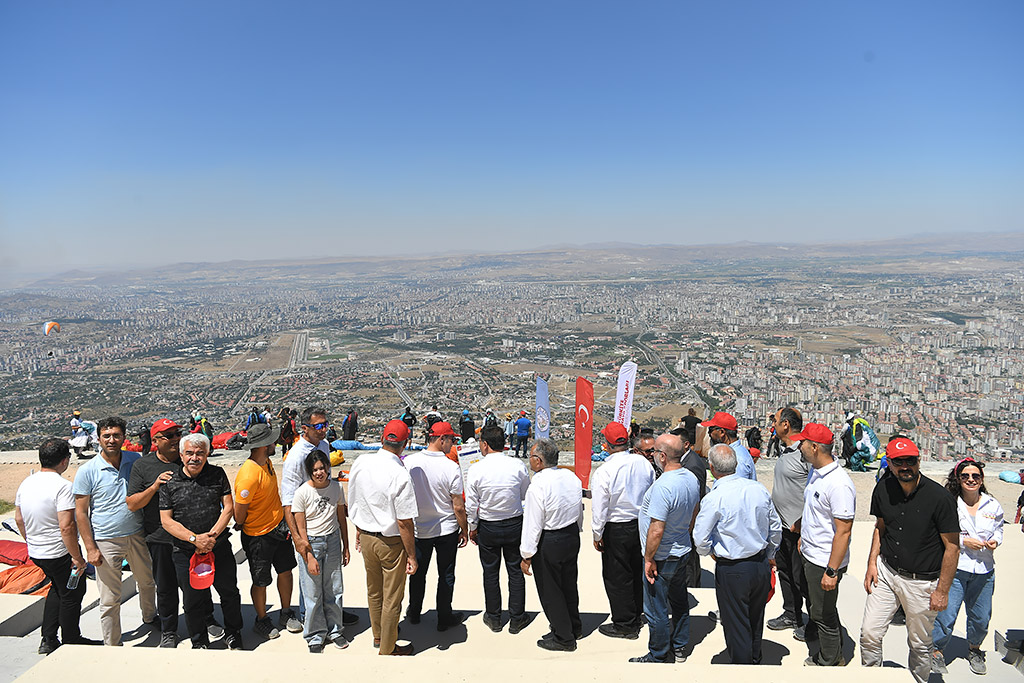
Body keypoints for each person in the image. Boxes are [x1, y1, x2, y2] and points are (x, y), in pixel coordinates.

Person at [860, 436, 960, 683]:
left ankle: (919, 679)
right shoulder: (883, 487)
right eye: (898, 461)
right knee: (869, 633)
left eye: (910, 461)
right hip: (887, 572)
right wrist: (872, 563)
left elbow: (952, 547)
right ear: (890, 464)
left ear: (919, 461)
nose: (905, 466)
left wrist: (942, 591)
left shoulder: (940, 498)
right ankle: (871, 677)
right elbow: (880, 527)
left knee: (919, 643)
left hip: (922, 582)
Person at [127, 418, 222, 648]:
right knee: (166, 587)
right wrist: (154, 487)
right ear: (155, 441)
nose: (175, 439)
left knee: (198, 583)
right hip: (160, 538)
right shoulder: (143, 466)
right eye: (169, 436)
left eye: (177, 434)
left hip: (192, 538)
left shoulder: (187, 459)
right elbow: (132, 503)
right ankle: (169, 630)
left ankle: (206, 619)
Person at [692, 443, 781, 665]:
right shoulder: (757, 489)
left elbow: (700, 538)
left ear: (712, 468)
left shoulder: (715, 497)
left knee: (735, 623)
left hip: (733, 568)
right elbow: (775, 527)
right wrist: (770, 553)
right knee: (755, 618)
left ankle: (742, 668)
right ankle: (754, 657)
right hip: (759, 564)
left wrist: (710, 552)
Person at [73, 416, 157, 645]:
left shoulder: (135, 460)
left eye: (116, 435)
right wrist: (90, 548)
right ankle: (112, 643)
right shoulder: (87, 471)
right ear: (98, 438)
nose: (111, 440)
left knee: (147, 582)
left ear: (124, 437)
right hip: (106, 539)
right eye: (106, 436)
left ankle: (150, 617)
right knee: (110, 596)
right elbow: (81, 513)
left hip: (137, 534)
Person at [15, 438, 101, 654]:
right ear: (64, 461)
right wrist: (77, 557)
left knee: (57, 589)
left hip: (36, 551)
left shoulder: (27, 482)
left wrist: (31, 541)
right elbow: (67, 526)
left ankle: (48, 638)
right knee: (73, 592)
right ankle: (71, 638)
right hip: (59, 552)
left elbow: (18, 519)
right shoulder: (63, 487)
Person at [159, 433, 243, 650]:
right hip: (185, 551)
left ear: (207, 454)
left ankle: (234, 633)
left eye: (199, 453)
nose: (194, 458)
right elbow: (166, 520)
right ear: (181, 454)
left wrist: (211, 537)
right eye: (189, 453)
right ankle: (199, 641)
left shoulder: (217, 474)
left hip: (218, 547)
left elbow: (228, 508)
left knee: (229, 593)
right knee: (192, 600)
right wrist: (195, 539)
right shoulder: (170, 482)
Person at [347, 420, 419, 656]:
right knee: (392, 597)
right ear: (405, 443)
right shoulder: (399, 474)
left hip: (366, 537)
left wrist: (358, 529)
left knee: (374, 591)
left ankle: (378, 635)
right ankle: (388, 647)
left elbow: (355, 499)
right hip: (390, 541)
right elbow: (404, 522)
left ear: (382, 439)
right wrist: (411, 555)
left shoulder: (361, 462)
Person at [629, 433, 700, 663]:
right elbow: (694, 512)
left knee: (655, 609)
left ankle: (658, 654)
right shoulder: (690, 478)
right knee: (679, 601)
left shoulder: (663, 487)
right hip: (681, 550)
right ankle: (680, 646)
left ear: (662, 456)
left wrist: (649, 559)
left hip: (661, 556)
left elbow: (656, 529)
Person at [931, 458, 1003, 676]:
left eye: (975, 476)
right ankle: (936, 651)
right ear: (958, 479)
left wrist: (995, 542)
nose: (970, 480)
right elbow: (939, 532)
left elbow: (999, 529)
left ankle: (975, 649)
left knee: (981, 617)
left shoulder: (993, 505)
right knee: (947, 614)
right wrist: (964, 542)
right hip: (956, 569)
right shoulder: (950, 503)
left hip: (984, 570)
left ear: (981, 480)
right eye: (965, 476)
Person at [792, 423, 855, 667]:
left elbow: (844, 531)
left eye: (803, 443)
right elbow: (816, 513)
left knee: (823, 613)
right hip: (811, 553)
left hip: (825, 561)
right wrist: (802, 534)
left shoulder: (838, 484)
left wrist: (832, 571)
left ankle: (830, 659)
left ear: (815, 447)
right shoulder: (816, 471)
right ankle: (828, 645)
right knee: (819, 606)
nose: (800, 446)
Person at [233, 422, 300, 640]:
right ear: (264, 445)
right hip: (258, 536)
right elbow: (239, 513)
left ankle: (286, 612)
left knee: (286, 570)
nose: (276, 442)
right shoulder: (249, 475)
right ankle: (261, 619)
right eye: (273, 440)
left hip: (278, 529)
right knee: (260, 580)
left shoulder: (266, 462)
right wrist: (246, 525)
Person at [591, 421, 655, 640]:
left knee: (617, 576)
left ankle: (624, 624)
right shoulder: (642, 463)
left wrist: (597, 534)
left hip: (616, 526)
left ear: (607, 445)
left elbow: (599, 506)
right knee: (636, 571)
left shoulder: (605, 470)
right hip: (639, 524)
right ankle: (636, 612)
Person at [403, 421, 468, 630]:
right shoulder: (451, 467)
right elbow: (458, 506)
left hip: (419, 528)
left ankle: (414, 611)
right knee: (446, 574)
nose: (453, 444)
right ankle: (444, 617)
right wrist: (464, 529)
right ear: (442, 439)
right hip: (446, 529)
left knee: (417, 573)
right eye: (452, 439)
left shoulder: (410, 463)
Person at [520, 438, 584, 652]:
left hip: (551, 540)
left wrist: (527, 554)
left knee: (551, 591)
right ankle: (574, 626)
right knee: (568, 585)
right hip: (571, 535)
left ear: (538, 461)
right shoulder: (570, 476)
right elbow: (578, 507)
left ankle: (563, 636)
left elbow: (533, 524)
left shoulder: (537, 485)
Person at [465, 424, 530, 633]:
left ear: (484, 444)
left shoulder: (476, 469)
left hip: (488, 526)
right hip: (514, 524)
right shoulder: (518, 465)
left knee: (490, 572)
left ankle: (494, 617)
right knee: (515, 571)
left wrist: (472, 527)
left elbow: (471, 504)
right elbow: (525, 495)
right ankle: (517, 617)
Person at [291, 449, 351, 653]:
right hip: (312, 544)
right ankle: (315, 634)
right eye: (315, 469)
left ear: (328, 468)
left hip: (333, 541)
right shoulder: (302, 493)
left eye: (323, 468)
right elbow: (301, 529)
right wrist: (308, 556)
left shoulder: (336, 488)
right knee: (313, 592)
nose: (319, 473)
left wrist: (346, 547)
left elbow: (342, 518)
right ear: (310, 471)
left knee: (334, 588)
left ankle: (335, 630)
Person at [766, 407, 813, 640]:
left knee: (802, 578)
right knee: (785, 571)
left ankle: (814, 623)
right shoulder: (785, 450)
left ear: (786, 424)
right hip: (782, 528)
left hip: (800, 530)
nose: (772, 425)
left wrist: (803, 523)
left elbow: (816, 491)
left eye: (775, 420)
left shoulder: (805, 452)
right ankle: (791, 613)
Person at [701, 412, 757, 481]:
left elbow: (736, 489)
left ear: (722, 432)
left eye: (710, 430)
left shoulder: (737, 459)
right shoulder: (732, 453)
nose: (709, 434)